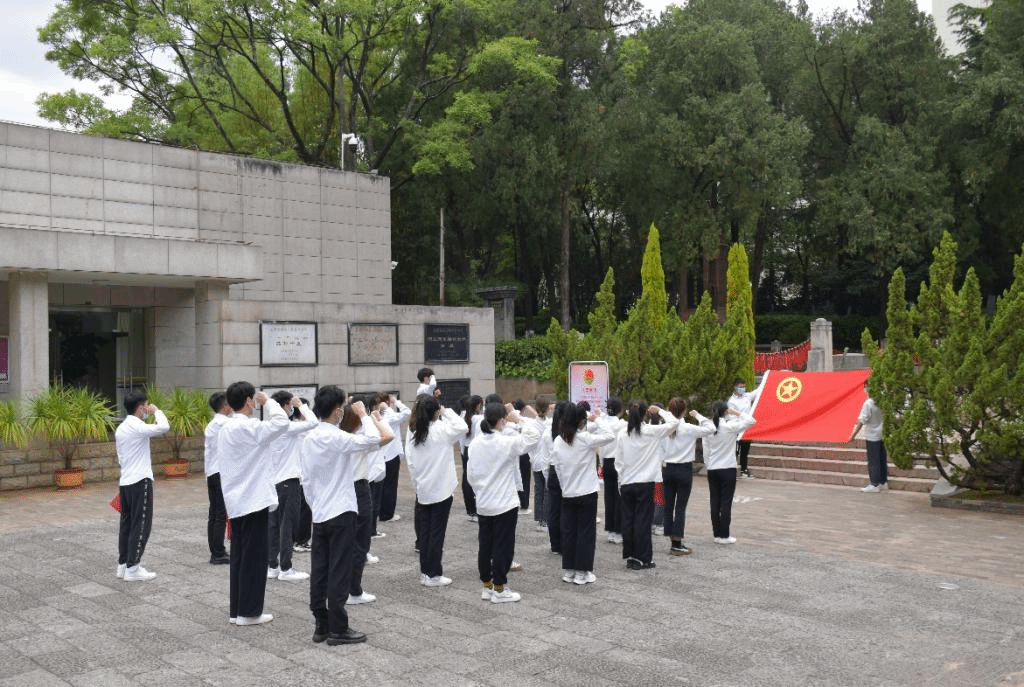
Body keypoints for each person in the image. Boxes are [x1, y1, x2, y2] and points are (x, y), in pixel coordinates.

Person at [301, 386, 388, 645]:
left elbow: (306, 480)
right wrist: (364, 416)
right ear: (338, 411)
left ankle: (321, 622)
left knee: (320, 569)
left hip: (320, 512)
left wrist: (315, 505)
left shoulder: (309, 438)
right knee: (339, 570)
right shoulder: (337, 438)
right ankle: (338, 627)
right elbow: (373, 439)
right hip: (341, 511)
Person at [217, 383, 290, 626]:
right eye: (253, 399)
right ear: (249, 401)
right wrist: (268, 401)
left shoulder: (226, 427)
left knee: (240, 556)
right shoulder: (249, 427)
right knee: (254, 559)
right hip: (253, 498)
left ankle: (237, 611)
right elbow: (281, 422)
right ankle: (249, 613)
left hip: (237, 499)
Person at [467, 402, 542, 602]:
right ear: (502, 421)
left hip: (484, 503)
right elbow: (534, 437)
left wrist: (480, 492)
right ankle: (500, 588)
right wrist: (519, 419)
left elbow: (470, 476)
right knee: (503, 546)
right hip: (504, 503)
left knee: (485, 546)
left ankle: (487, 586)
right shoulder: (506, 442)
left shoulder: (475, 443)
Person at [405, 394, 468, 587]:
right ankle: (433, 574)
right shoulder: (442, 430)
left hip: (423, 488)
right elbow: (463, 427)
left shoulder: (414, 431)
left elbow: (410, 462)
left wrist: (416, 484)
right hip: (441, 489)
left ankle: (425, 571)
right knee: (436, 533)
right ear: (435, 412)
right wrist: (446, 411)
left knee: (425, 532)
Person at [552, 403, 615, 585]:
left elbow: (557, 467)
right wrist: (598, 419)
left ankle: (569, 571)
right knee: (585, 532)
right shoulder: (585, 438)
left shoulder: (558, 440)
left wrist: (565, 487)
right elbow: (610, 436)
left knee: (569, 531)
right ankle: (582, 572)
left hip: (568, 492)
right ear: (581, 422)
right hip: (586, 492)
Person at [338, 401, 394, 604]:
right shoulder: (359, 439)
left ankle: (343, 587)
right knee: (360, 541)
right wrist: (370, 418)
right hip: (358, 489)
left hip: (342, 489)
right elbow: (389, 436)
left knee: (345, 541)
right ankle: (354, 591)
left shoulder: (338, 437)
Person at [616, 400, 679, 570]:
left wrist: (620, 482)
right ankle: (643, 558)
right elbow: (675, 423)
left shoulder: (623, 434)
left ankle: (631, 556)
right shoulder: (651, 431)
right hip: (645, 483)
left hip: (627, 483)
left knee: (628, 520)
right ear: (645, 414)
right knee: (642, 521)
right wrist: (660, 411)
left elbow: (619, 461)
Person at [115, 391, 170, 581]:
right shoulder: (137, 426)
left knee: (127, 524)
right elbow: (164, 427)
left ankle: (123, 565)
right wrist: (157, 411)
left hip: (126, 481)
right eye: (145, 406)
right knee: (141, 524)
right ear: (139, 408)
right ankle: (133, 568)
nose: (147, 409)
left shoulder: (122, 428)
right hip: (140, 481)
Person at [266, 391, 318, 582]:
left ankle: (272, 566)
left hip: (272, 482)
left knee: (273, 526)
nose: (291, 408)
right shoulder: (287, 427)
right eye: (290, 405)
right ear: (285, 405)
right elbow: (314, 422)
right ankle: (286, 568)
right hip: (289, 481)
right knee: (287, 526)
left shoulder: (268, 427)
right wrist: (301, 406)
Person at [660, 398, 715, 556]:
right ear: (684, 411)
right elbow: (711, 428)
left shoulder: (664, 428)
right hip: (683, 469)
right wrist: (698, 416)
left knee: (668, 505)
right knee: (680, 507)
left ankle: (670, 535)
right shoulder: (689, 428)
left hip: (667, 469)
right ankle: (676, 542)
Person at [702, 401, 756, 545]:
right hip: (728, 468)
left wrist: (709, 465)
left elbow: (706, 451)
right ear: (725, 411)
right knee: (726, 502)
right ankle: (724, 535)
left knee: (714, 501)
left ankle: (716, 534)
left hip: (713, 468)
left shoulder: (708, 428)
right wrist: (737, 412)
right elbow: (751, 421)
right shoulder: (730, 427)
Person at [204, 391, 232, 565]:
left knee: (214, 514)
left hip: (212, 473)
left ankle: (216, 550)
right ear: (225, 406)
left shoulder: (212, 424)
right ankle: (218, 553)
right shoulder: (225, 423)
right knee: (220, 514)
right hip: (221, 472)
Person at [595, 397, 626, 544]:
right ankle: (618, 532)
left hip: (607, 462)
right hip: (619, 463)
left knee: (609, 497)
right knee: (619, 497)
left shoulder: (602, 424)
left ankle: (611, 532)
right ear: (620, 410)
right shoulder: (622, 424)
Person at [850, 380, 888, 493]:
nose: (865, 389)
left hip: (872, 436)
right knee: (882, 459)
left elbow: (861, 421)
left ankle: (874, 484)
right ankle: (883, 482)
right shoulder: (883, 399)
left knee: (873, 460)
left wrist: (853, 435)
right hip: (882, 434)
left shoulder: (869, 403)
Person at [378, 394, 411, 523]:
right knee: (390, 486)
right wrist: (396, 402)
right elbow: (407, 412)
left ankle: (381, 512)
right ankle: (387, 514)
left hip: (382, 455)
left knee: (382, 485)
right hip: (391, 455)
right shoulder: (390, 416)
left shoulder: (376, 416)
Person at [459, 395, 483, 522]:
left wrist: (463, 451)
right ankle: (477, 509)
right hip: (475, 450)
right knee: (476, 478)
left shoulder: (463, 417)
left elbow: (461, 439)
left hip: (466, 450)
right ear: (478, 405)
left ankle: (470, 510)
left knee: (466, 479)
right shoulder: (478, 419)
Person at [528, 399, 552, 531]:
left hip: (536, 461)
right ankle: (545, 521)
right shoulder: (550, 424)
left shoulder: (531, 425)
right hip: (547, 461)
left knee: (538, 491)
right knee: (547, 491)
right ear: (548, 409)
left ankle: (538, 519)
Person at [728, 378, 759, 478]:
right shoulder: (731, 401)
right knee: (735, 450)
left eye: (743, 386)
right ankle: (731, 471)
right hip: (737, 428)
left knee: (745, 450)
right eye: (740, 387)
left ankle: (744, 470)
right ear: (735, 387)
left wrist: (767, 378)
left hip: (747, 428)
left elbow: (758, 391)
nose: (742, 388)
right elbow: (732, 417)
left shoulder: (747, 396)